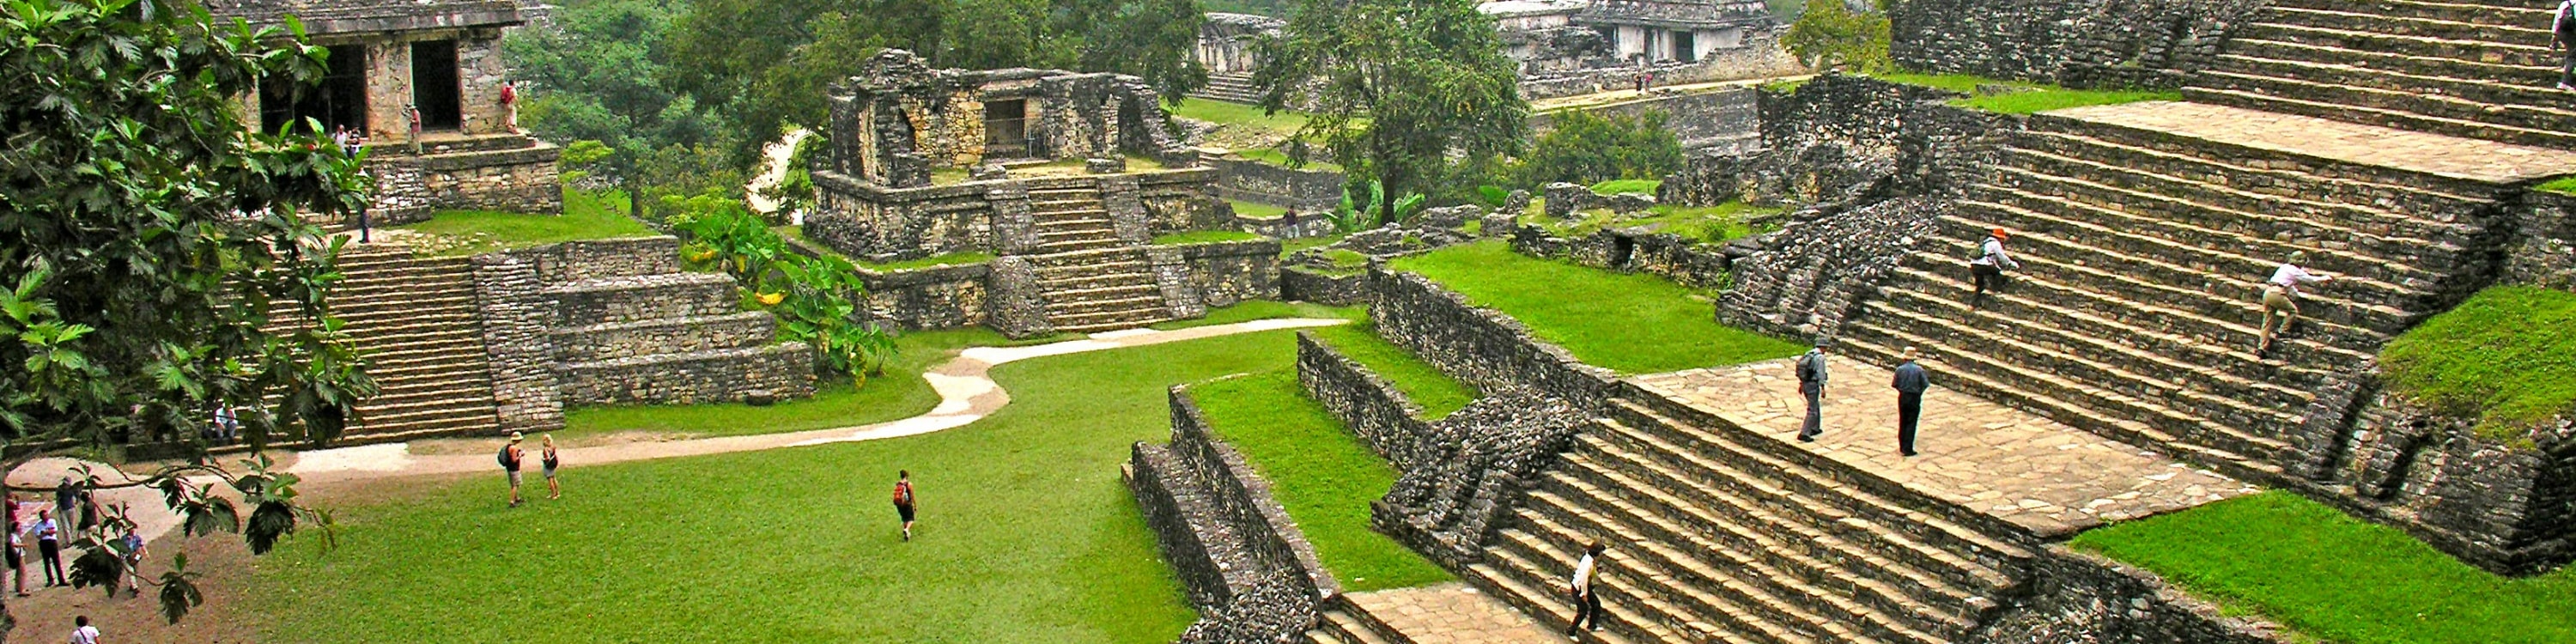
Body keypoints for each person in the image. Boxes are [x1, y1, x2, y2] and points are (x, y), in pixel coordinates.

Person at [2257, 251, 2335, 354]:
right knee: (2293, 311)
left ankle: (2262, 347)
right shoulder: (2295, 270)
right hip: (2277, 293)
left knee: (2267, 322)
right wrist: (2324, 278)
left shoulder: (2284, 267)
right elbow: (2310, 280)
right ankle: (2283, 331)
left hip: (2268, 292)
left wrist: (2295, 294)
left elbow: (2288, 285)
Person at [1891, 348, 1931, 457]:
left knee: (1903, 421)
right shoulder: (1919, 370)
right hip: (1914, 397)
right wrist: (1919, 392)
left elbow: (1894, 384)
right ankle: (1908, 448)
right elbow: (1925, 384)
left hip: (1903, 396)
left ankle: (1902, 445)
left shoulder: (1900, 370)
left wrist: (1902, 390)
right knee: (1911, 422)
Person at [1968, 228, 2020, 309]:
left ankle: (1972, 305)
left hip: (1974, 265)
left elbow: (1991, 258)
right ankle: (1996, 289)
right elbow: (2001, 257)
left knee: (1980, 285)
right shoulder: (1996, 244)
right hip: (1983, 265)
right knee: (1996, 273)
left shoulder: (1985, 242)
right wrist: (2011, 264)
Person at [1566, 540, 1604, 635]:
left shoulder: (1588, 558)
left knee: (1596, 604)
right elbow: (1583, 578)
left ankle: (1592, 625)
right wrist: (1584, 594)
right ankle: (1571, 631)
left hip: (1582, 586)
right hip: (1579, 587)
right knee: (1583, 610)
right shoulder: (1588, 562)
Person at [1795, 340, 1830, 442]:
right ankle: (1804, 433)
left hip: (1805, 383)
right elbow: (1821, 374)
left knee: (1815, 405)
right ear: (1823, 347)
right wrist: (1822, 387)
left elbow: (1803, 370)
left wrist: (1801, 384)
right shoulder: (1820, 358)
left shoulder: (1809, 354)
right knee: (1812, 410)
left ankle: (1815, 427)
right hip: (1812, 384)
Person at [27, 509, 61, 587]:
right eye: (44, 516)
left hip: (52, 542)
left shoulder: (52, 521)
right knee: (46, 562)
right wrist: (48, 532)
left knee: (56, 561)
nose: (46, 517)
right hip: (44, 543)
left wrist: (45, 532)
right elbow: (39, 536)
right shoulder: (39, 525)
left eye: (47, 515)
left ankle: (61, 579)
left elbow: (54, 530)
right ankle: (50, 579)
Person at [499, 432, 526, 507]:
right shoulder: (514, 448)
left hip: (510, 468)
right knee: (515, 485)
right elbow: (514, 459)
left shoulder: (509, 446)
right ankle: (512, 501)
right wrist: (520, 455)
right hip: (514, 469)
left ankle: (516, 498)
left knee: (513, 484)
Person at [118, 524, 144, 598]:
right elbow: (121, 550)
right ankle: (135, 589)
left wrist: (145, 553)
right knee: (131, 571)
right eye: (131, 529)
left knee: (136, 571)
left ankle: (132, 585)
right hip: (125, 558)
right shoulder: (124, 539)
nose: (133, 531)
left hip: (135, 556)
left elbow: (141, 545)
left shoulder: (136, 538)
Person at [2555, 0, 2576, 91]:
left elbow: (2557, 20)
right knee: (2572, 57)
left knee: (2571, 55)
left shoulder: (2565, 4)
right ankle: (2565, 82)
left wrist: (2554, 36)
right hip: (2572, 33)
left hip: (2562, 32)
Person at [7, 496, 26, 597]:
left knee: (20, 572)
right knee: (22, 572)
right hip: (19, 555)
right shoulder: (14, 536)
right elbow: (13, 544)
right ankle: (21, 589)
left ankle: (18, 587)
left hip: (18, 554)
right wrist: (23, 545)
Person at [892, 471, 916, 541]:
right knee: (911, 519)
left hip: (899, 504)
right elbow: (912, 496)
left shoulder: (898, 484)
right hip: (907, 504)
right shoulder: (909, 484)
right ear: (907, 476)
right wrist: (915, 505)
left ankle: (907, 534)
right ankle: (907, 529)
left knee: (904, 519)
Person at [542, 434, 562, 500]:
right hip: (553, 465)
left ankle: (553, 494)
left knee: (550, 480)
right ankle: (557, 493)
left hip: (548, 465)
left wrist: (543, 459)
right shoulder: (553, 447)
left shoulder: (546, 449)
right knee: (554, 478)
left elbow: (547, 458)